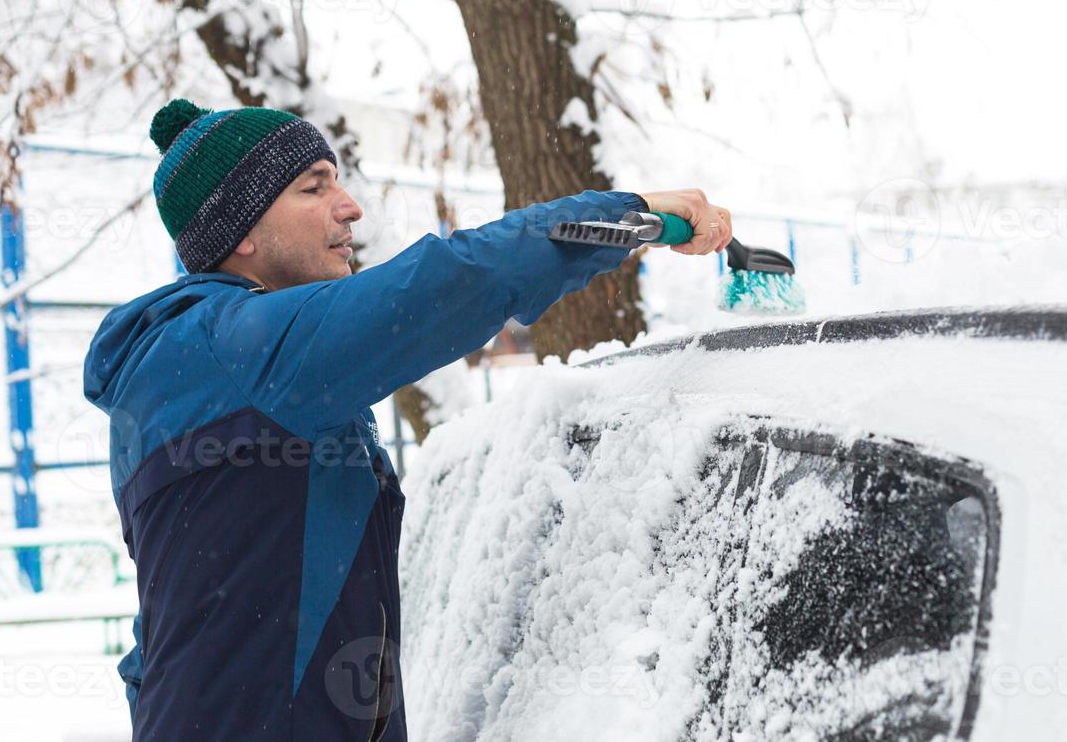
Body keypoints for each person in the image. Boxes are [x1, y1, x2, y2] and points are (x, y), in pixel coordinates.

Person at [82, 98, 733, 740]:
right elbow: (453, 282)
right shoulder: (235, 351)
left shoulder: (193, 368)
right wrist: (629, 218)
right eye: (315, 187)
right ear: (242, 232)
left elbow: (168, 627)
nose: (350, 206)